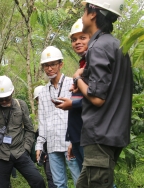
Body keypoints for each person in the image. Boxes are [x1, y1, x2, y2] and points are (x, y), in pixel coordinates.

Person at [72, 0, 133, 187]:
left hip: (100, 133)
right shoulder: (117, 45)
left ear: (93, 13)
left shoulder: (97, 47)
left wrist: (77, 79)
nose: (82, 16)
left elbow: (97, 98)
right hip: (113, 132)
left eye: (84, 10)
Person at [0, 75, 45, 188]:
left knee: (38, 181)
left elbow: (29, 129)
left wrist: (26, 148)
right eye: (1, 99)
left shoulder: (21, 105)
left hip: (20, 152)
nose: (4, 101)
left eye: (7, 98)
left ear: (12, 92)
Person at [35, 46, 80, 188]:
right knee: (59, 184)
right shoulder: (42, 93)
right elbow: (42, 121)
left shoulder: (72, 84)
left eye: (53, 64)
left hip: (69, 143)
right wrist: (39, 145)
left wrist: (75, 140)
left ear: (61, 64)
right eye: (46, 65)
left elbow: (79, 114)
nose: (49, 68)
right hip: (53, 144)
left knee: (79, 180)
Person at [55, 18, 90, 171]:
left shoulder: (93, 65)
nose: (77, 42)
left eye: (82, 38)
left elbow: (99, 98)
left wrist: (72, 104)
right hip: (77, 134)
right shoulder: (83, 64)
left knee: (99, 179)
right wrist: (72, 139)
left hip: (88, 135)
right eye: (74, 39)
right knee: (89, 179)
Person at [34, 86, 56, 188]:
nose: (39, 102)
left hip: (54, 150)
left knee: (54, 177)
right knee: (50, 176)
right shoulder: (42, 112)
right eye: (38, 100)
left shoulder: (55, 111)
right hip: (46, 152)